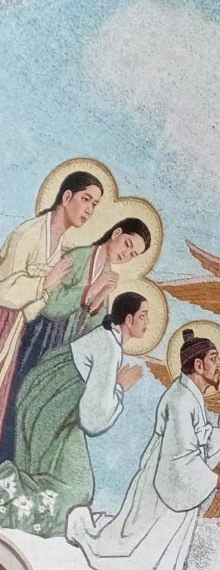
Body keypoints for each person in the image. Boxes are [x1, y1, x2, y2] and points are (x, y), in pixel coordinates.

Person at [66, 327, 220, 570]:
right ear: (198, 365)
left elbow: (197, 437)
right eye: (214, 358)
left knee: (143, 545)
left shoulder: (190, 396)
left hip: (169, 483)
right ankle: (88, 536)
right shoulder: (181, 400)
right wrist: (215, 481)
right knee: (133, 557)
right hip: (163, 484)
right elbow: (179, 456)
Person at [0, 217, 150, 463]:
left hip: (63, 350)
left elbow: (91, 329)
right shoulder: (79, 257)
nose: (127, 254)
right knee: (18, 402)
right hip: (40, 337)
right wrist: (88, 292)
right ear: (116, 232)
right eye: (127, 245)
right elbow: (49, 303)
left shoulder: (108, 275)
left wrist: (98, 302)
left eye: (133, 254)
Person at [0, 292, 147, 535]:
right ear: (128, 319)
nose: (147, 322)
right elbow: (93, 419)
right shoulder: (109, 346)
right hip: (52, 408)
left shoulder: (108, 340)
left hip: (50, 404)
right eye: (144, 316)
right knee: (75, 491)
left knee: (66, 486)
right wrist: (120, 388)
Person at [0, 171, 103, 460]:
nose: (89, 210)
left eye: (94, 204)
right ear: (66, 196)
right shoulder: (28, 234)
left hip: (15, 332)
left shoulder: (60, 246)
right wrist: (43, 284)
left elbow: (39, 305)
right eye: (86, 199)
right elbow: (3, 291)